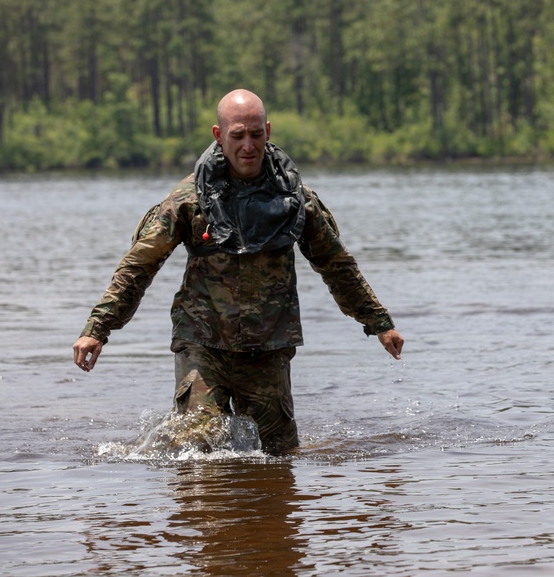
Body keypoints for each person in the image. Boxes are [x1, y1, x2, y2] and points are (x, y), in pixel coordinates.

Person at [72, 89, 404, 455]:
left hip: (268, 346)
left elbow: (335, 264)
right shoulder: (189, 200)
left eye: (256, 134)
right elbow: (140, 265)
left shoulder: (295, 202)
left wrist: (379, 323)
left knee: (278, 459)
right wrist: (98, 328)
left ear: (268, 131)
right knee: (196, 450)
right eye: (238, 136)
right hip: (202, 340)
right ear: (219, 135)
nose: (249, 145)